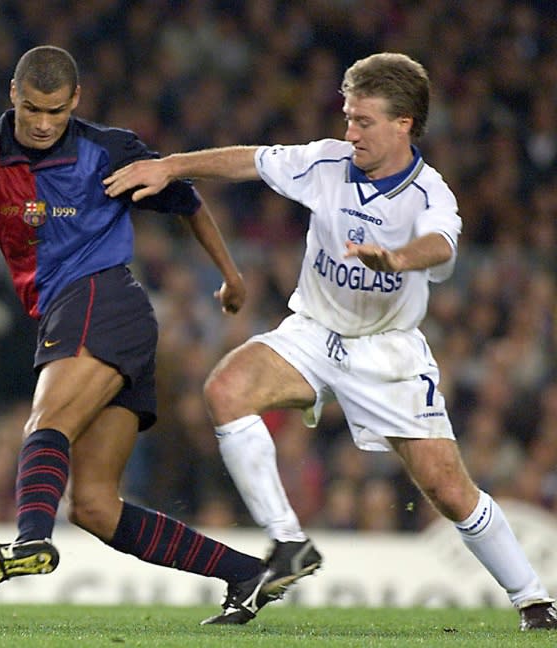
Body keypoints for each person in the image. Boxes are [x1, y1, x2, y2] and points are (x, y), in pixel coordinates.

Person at [104, 52, 557, 631]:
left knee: (446, 489)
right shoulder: (328, 161)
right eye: (348, 117)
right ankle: (288, 544)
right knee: (225, 389)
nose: (350, 132)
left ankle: (535, 601)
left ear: (404, 124)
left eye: (363, 121)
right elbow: (250, 161)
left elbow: (441, 247)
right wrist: (170, 167)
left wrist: (397, 256)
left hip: (386, 350)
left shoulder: (429, 195)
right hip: (314, 331)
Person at [0, 45, 311, 626]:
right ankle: (248, 573)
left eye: (54, 110)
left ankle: (28, 540)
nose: (44, 123)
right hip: (79, 318)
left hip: (102, 300)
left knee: (46, 422)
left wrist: (231, 276)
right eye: (31, 111)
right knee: (96, 507)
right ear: (13, 97)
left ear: (74, 100)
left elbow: (186, 202)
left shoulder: (109, 149)